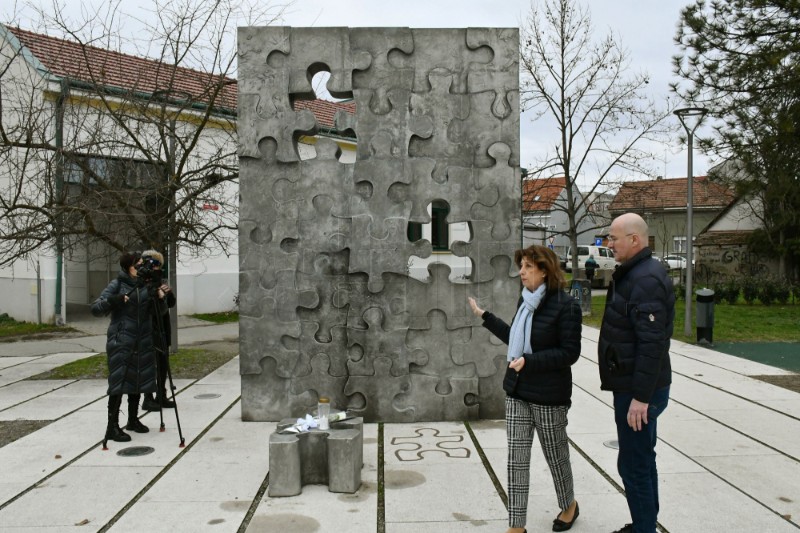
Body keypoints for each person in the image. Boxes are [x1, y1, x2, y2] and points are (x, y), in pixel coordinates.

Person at [468, 245, 582, 533]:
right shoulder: (525, 301)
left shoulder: (567, 305)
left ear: (544, 270)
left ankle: (569, 505)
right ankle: (516, 526)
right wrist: (485, 316)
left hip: (549, 396)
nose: (521, 271)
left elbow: (569, 353)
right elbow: (516, 339)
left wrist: (529, 362)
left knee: (556, 457)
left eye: (528, 267)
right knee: (516, 461)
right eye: (521, 266)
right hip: (518, 391)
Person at [600, 213, 675, 533]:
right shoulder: (636, 273)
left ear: (635, 240)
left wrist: (641, 398)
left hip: (638, 390)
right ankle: (645, 524)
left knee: (633, 464)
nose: (608, 243)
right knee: (642, 458)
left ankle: (644, 529)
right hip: (633, 385)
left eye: (613, 238)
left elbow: (652, 344)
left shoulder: (645, 279)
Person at [91, 251, 158, 447]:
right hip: (122, 340)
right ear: (127, 266)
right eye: (136, 264)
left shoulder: (145, 284)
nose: (139, 268)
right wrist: (115, 300)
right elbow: (96, 308)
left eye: (141, 264)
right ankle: (112, 426)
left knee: (137, 378)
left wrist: (160, 296)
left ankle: (132, 419)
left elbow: (156, 311)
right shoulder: (117, 284)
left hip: (142, 339)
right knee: (119, 382)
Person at [137, 250, 178, 412]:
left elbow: (170, 304)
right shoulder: (141, 283)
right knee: (150, 365)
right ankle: (148, 398)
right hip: (150, 328)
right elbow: (147, 306)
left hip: (163, 327)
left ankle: (162, 394)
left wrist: (168, 293)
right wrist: (155, 294)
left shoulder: (158, 281)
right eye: (154, 265)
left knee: (163, 363)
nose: (156, 269)